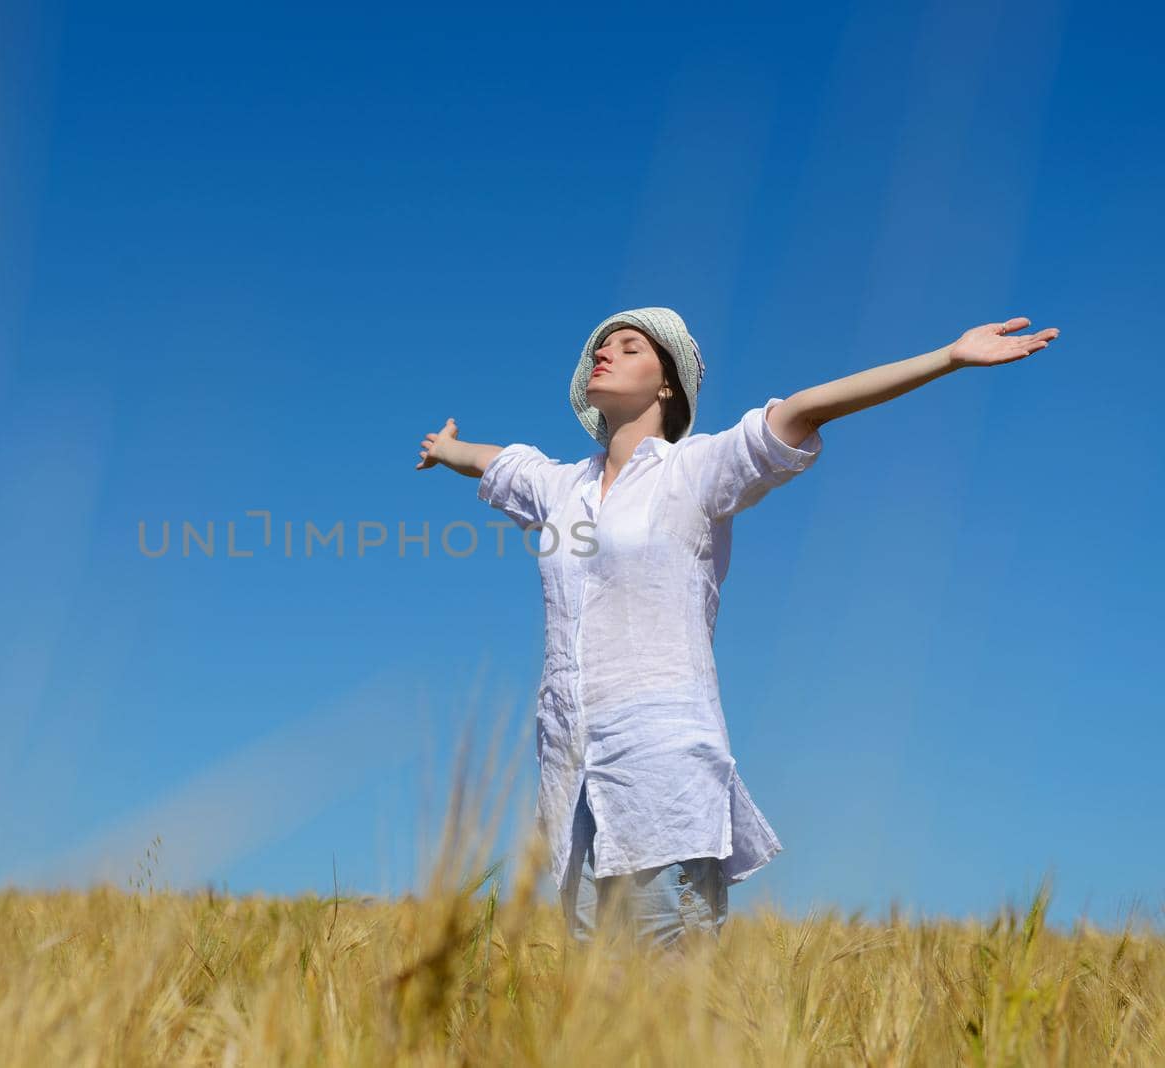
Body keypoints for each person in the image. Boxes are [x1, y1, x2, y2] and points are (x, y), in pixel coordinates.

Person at [414, 307, 1059, 954]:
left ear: (667, 385)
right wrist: (447, 451)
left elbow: (806, 409)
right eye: (599, 348)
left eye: (628, 346)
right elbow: (497, 460)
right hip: (567, 767)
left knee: (663, 974)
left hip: (659, 762)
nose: (602, 354)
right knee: (593, 984)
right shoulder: (561, 488)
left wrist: (948, 356)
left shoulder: (694, 471)